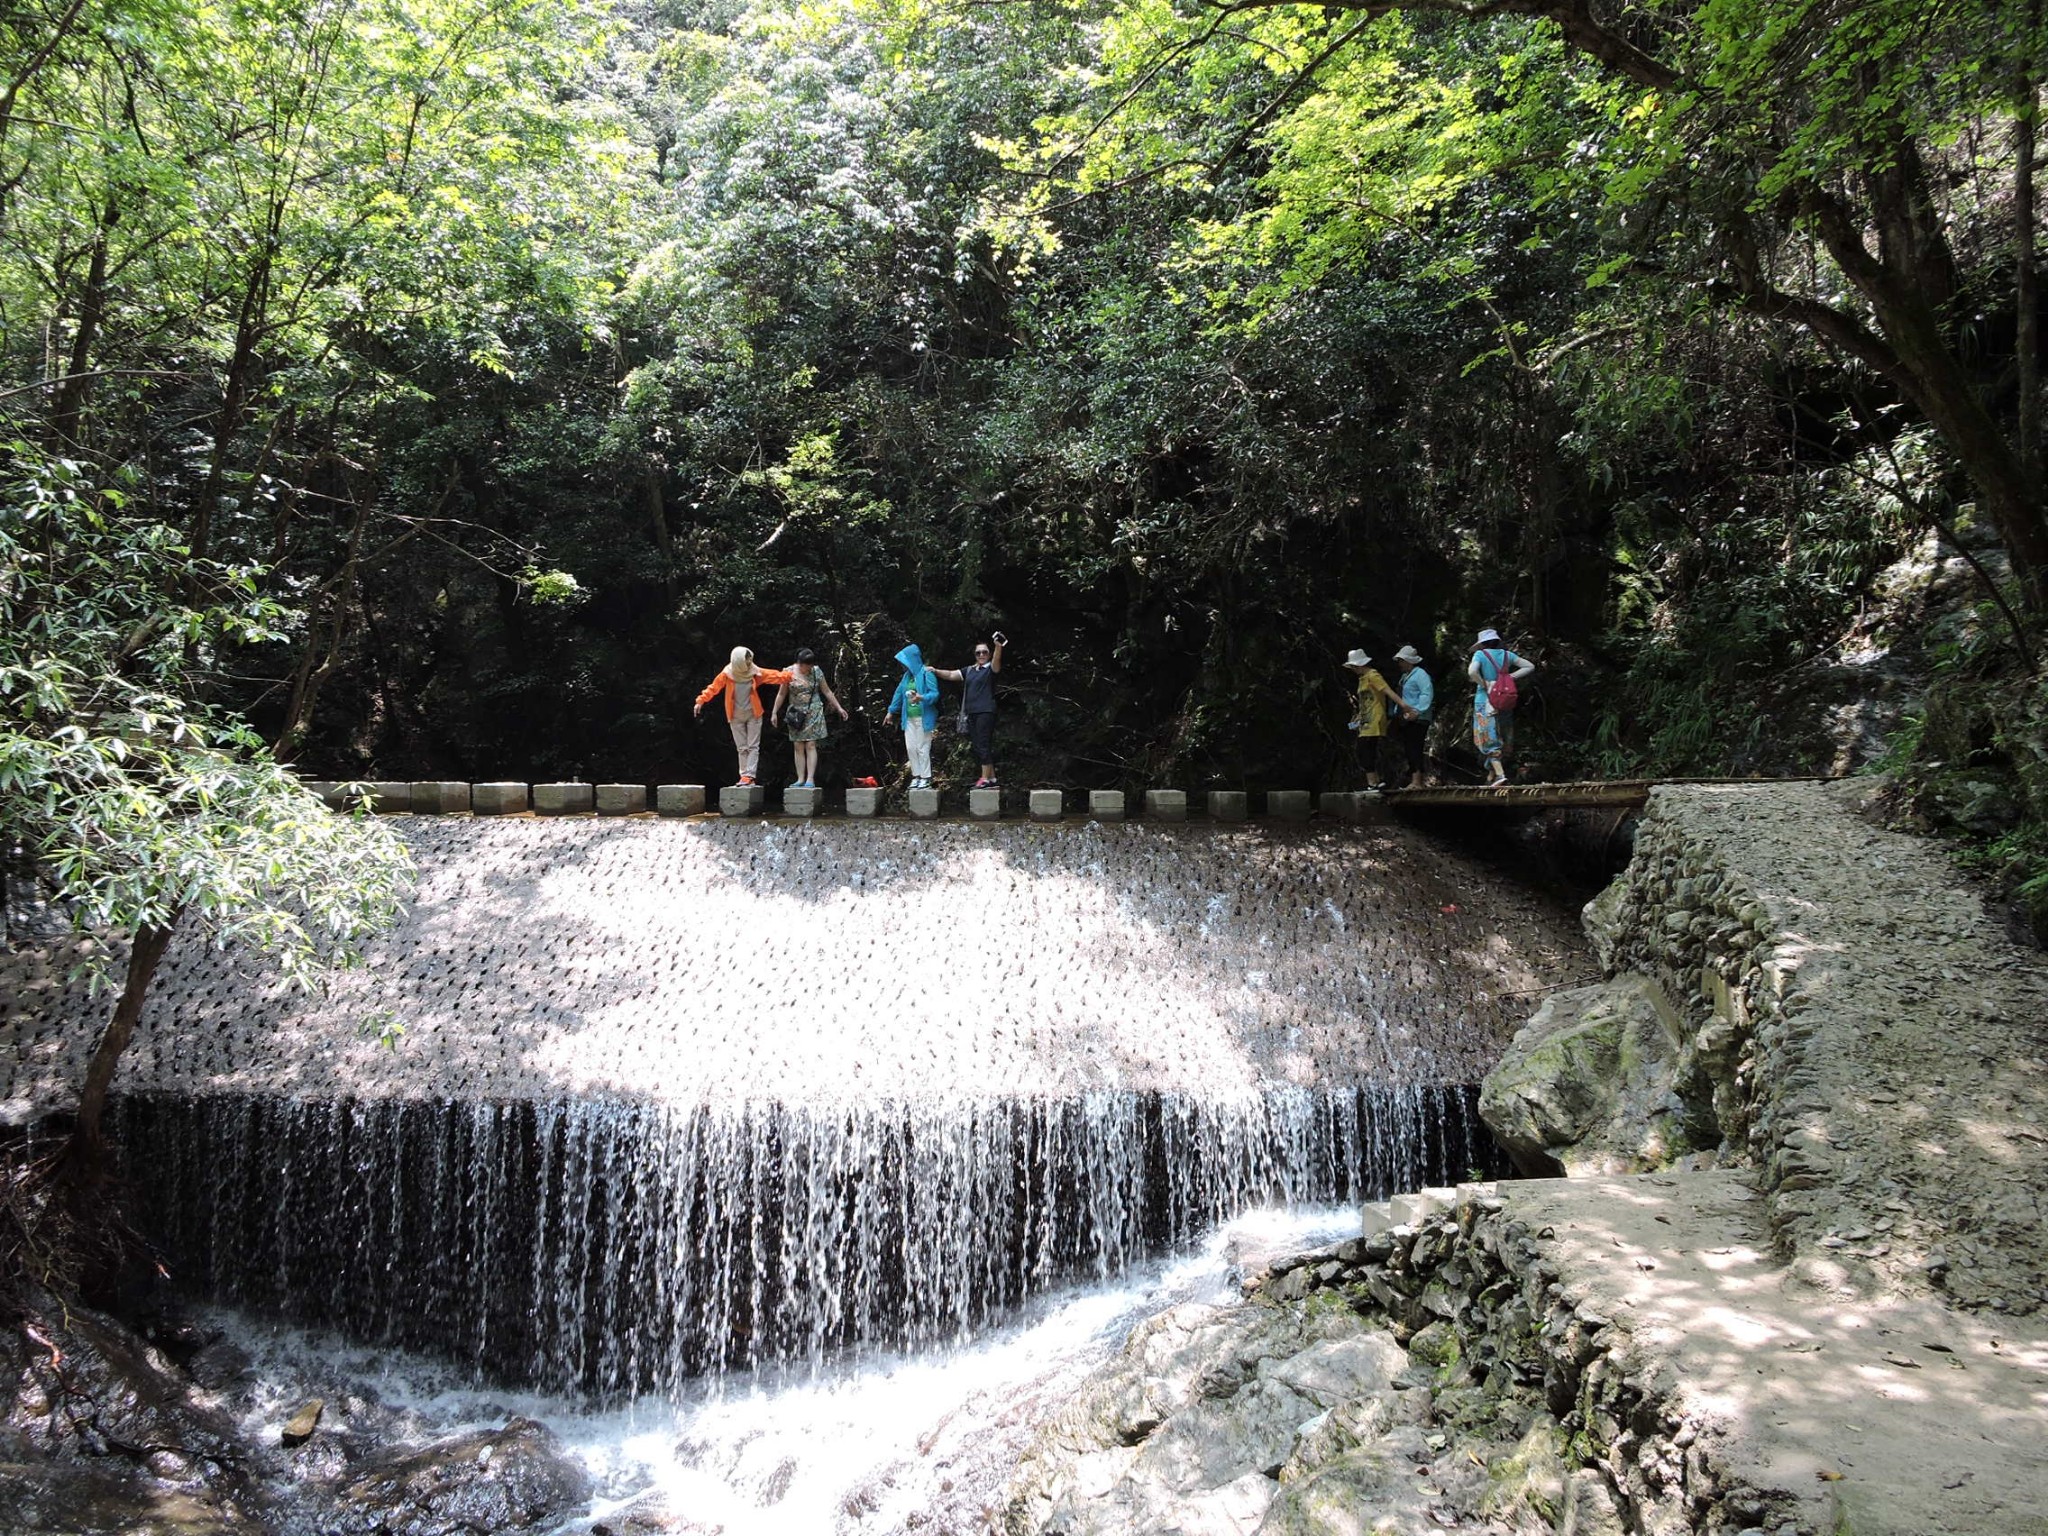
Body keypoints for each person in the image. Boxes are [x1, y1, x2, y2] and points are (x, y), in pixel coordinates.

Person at [693, 646, 791, 786]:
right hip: (735, 715)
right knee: (742, 747)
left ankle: (749, 776)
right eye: (746, 660)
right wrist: (700, 701)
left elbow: (775, 676)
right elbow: (713, 688)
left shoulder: (754, 672)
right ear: (738, 661)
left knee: (753, 746)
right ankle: (744, 776)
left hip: (754, 714)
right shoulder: (727, 674)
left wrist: (791, 674)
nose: (750, 662)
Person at [931, 632, 1007, 788]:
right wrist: (935, 671)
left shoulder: (990, 669)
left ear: (989, 654)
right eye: (978, 652)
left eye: (984, 652)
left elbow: (997, 661)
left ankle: (984, 779)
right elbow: (952, 674)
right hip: (971, 712)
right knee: (978, 745)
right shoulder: (970, 670)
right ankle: (991, 778)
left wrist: (998, 646)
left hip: (985, 711)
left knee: (983, 744)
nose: (981, 655)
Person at [771, 648, 849, 788]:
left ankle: (810, 779)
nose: (806, 668)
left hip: (813, 711)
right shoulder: (788, 672)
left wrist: (839, 707)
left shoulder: (816, 672)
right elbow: (782, 694)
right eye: (803, 665)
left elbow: (826, 691)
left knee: (811, 744)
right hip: (796, 713)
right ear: (799, 663)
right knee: (798, 745)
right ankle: (800, 778)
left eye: (808, 665)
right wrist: (774, 712)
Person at [1468, 627, 1535, 788]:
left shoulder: (1480, 655)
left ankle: (1500, 775)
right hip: (1504, 700)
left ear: (1482, 644)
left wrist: (1483, 683)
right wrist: (1509, 678)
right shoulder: (1507, 655)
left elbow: (1471, 672)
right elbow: (1529, 666)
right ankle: (1491, 776)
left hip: (1485, 701)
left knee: (1488, 736)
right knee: (1503, 733)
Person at [883, 643, 943, 789]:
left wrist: (921, 697)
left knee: (923, 747)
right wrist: (891, 712)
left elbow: (935, 694)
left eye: (905, 661)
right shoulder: (906, 677)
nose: (903, 665)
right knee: (911, 748)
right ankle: (916, 776)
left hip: (924, 717)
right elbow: (898, 694)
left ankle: (926, 777)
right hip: (908, 718)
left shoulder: (926, 673)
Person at [1343, 648, 1402, 791]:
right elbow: (1365, 703)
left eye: (1353, 666)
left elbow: (1387, 691)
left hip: (1375, 719)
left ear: (1359, 664)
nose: (1352, 669)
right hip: (1365, 720)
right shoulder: (1362, 679)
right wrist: (1357, 720)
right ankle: (1375, 782)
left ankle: (1373, 783)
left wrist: (1404, 706)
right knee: (1365, 750)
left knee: (1365, 750)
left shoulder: (1373, 675)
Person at [1393, 644, 1435, 788]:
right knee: (1409, 748)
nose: (1399, 664)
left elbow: (1426, 693)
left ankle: (1417, 781)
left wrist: (1417, 711)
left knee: (1414, 747)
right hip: (1406, 717)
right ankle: (1415, 779)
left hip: (1418, 718)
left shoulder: (1420, 675)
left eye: (1401, 661)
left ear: (1409, 661)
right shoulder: (1405, 677)